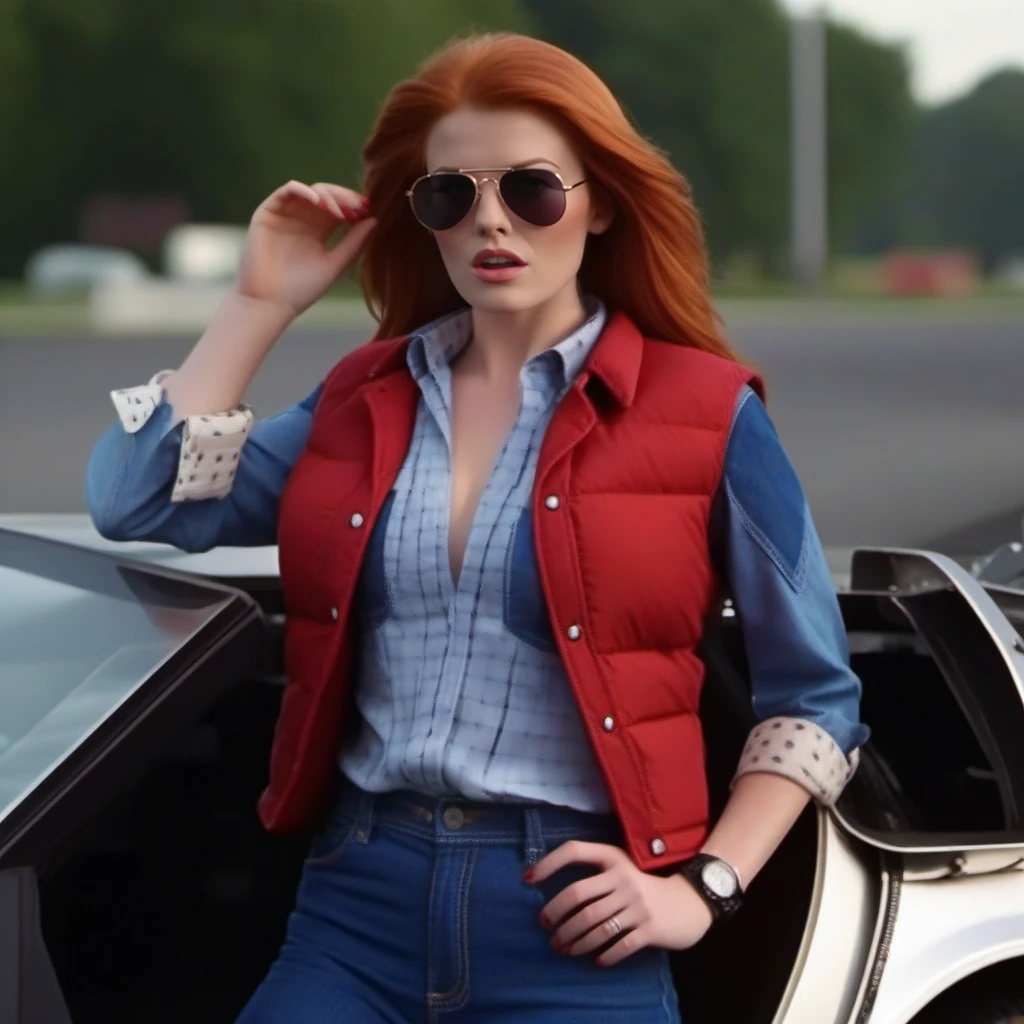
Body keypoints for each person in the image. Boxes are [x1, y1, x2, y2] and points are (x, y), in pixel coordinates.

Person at [85, 32, 868, 1024]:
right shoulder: (361, 400)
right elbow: (140, 501)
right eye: (450, 195)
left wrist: (704, 887)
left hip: (570, 927)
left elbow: (816, 697)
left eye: (532, 189)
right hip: (353, 905)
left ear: (602, 202)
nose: (491, 220)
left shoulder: (709, 414)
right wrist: (255, 305)